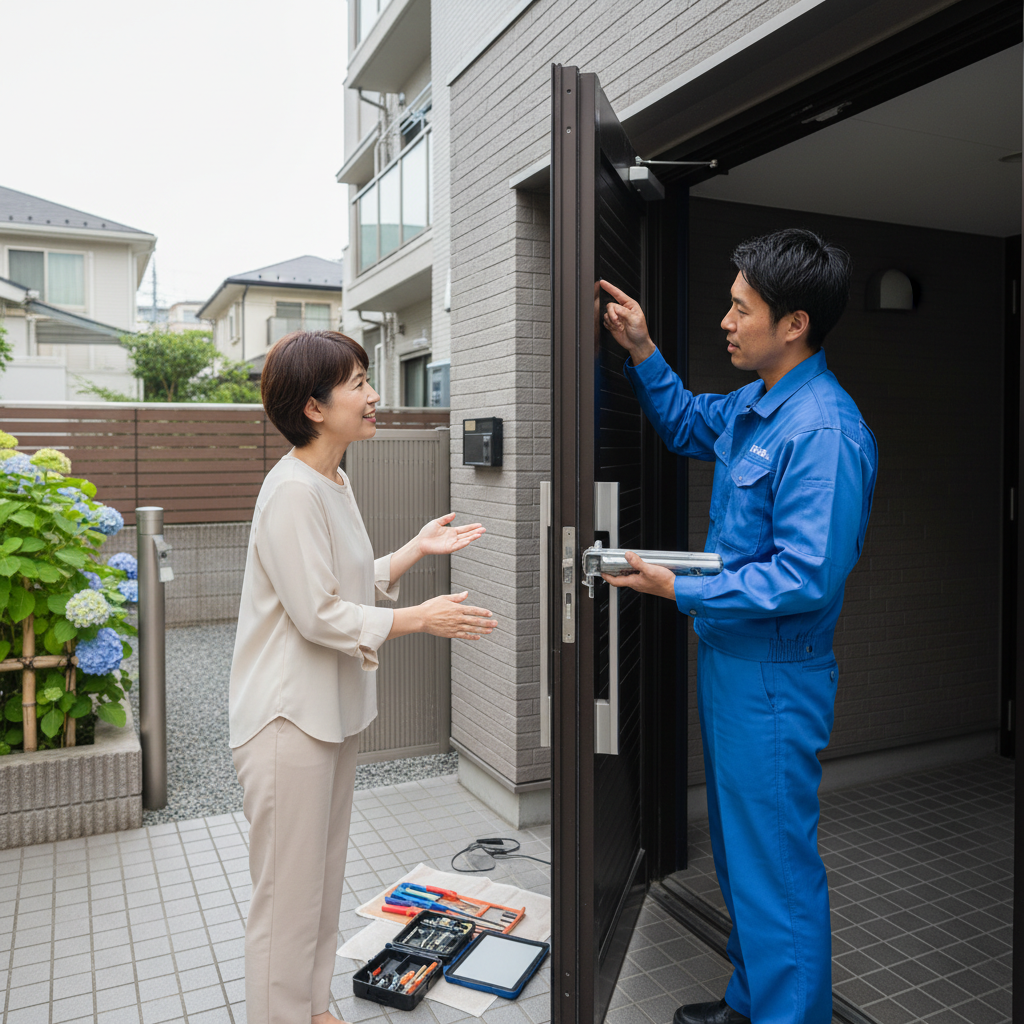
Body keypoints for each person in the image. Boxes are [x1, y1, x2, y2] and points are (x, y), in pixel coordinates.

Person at [599, 228, 877, 1024]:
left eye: (740, 308)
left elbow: (805, 574)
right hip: (732, 663)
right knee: (742, 854)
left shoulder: (822, 430)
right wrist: (642, 348)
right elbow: (687, 421)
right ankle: (752, 1000)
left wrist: (678, 586)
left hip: (775, 678)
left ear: (794, 324)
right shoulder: (758, 404)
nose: (726, 321)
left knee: (776, 866)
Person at [228, 330, 496, 1024]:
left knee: (317, 882)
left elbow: (343, 582)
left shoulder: (333, 479)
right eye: (357, 383)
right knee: (286, 898)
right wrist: (419, 619)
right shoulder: (292, 491)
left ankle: (310, 1006)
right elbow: (318, 614)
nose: (374, 395)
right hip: (287, 719)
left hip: (327, 713)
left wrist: (413, 551)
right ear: (314, 407)